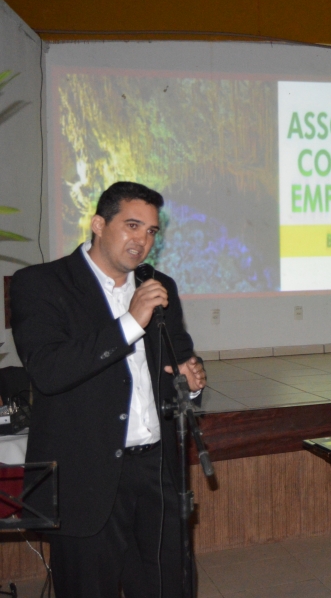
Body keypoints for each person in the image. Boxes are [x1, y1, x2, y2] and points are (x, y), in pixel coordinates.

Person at [10, 182, 207, 597]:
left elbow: (180, 358)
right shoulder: (41, 283)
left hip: (156, 470)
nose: (142, 241)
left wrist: (189, 382)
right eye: (132, 226)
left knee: (169, 586)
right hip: (87, 476)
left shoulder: (159, 285)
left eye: (151, 231)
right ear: (98, 224)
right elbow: (48, 370)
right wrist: (130, 323)